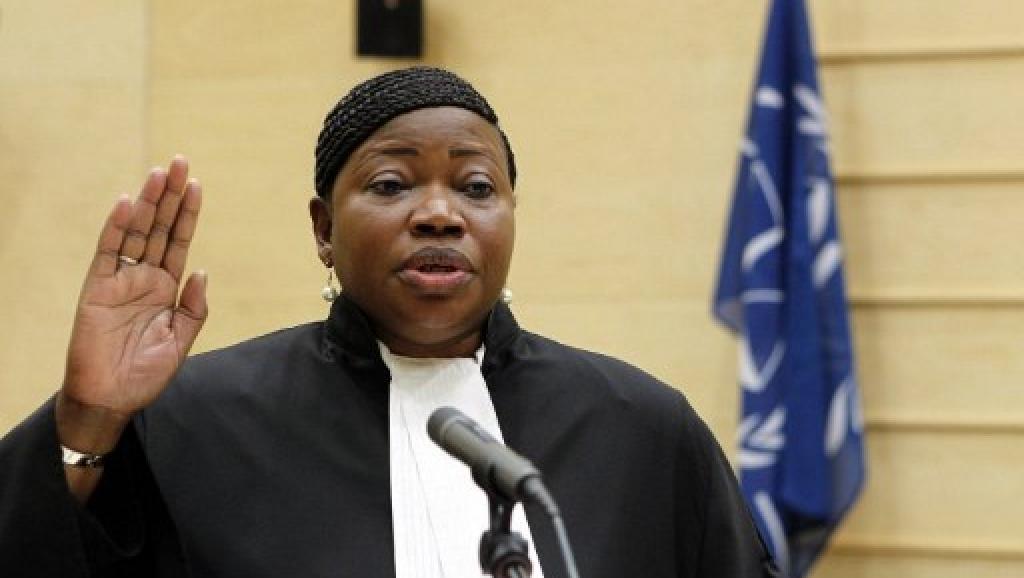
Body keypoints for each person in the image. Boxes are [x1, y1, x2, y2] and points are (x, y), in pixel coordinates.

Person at [0, 67, 778, 577]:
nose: (439, 213)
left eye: (476, 187)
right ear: (322, 229)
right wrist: (89, 422)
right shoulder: (195, 421)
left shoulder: (640, 428)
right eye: (391, 183)